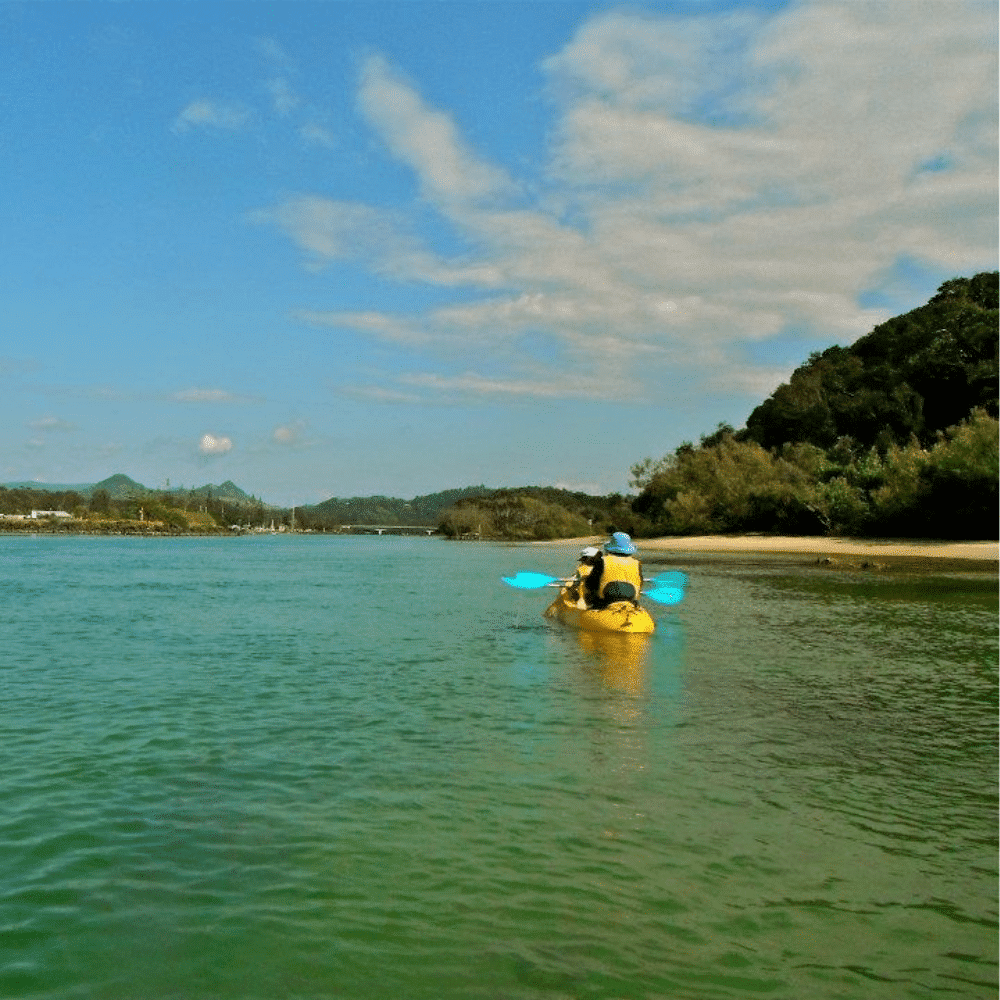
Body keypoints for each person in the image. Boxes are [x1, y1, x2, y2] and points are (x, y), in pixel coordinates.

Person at [583, 532, 644, 609]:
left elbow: (590, 583)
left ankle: (591, 610)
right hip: (631, 602)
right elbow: (640, 583)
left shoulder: (602, 561)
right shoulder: (637, 563)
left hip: (604, 603)